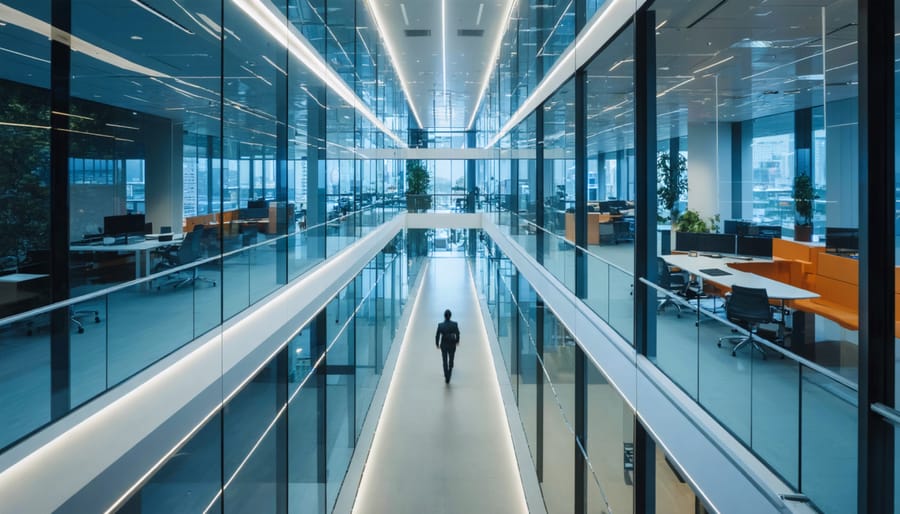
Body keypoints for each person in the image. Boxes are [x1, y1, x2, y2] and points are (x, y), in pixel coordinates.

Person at [435, 309, 460, 384]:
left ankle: (446, 376)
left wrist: (437, 344)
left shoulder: (440, 325)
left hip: (444, 344)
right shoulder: (454, 324)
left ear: (444, 316)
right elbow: (458, 333)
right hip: (452, 343)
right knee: (451, 359)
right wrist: (457, 341)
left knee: (444, 360)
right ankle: (450, 370)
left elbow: (437, 335)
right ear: (450, 316)